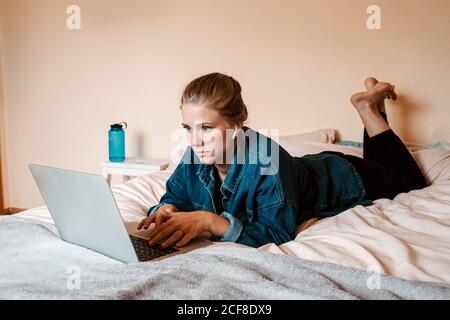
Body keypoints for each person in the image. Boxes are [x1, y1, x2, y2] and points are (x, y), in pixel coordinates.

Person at [137, 73, 427, 248]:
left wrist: (209, 221)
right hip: (306, 168)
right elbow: (176, 194)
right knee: (386, 164)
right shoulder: (194, 155)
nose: (194, 140)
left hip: (343, 177)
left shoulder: (267, 160)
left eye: (207, 128)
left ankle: (366, 108)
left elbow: (277, 232)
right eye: (188, 128)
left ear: (237, 125)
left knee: (409, 179)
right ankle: (371, 105)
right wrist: (167, 208)